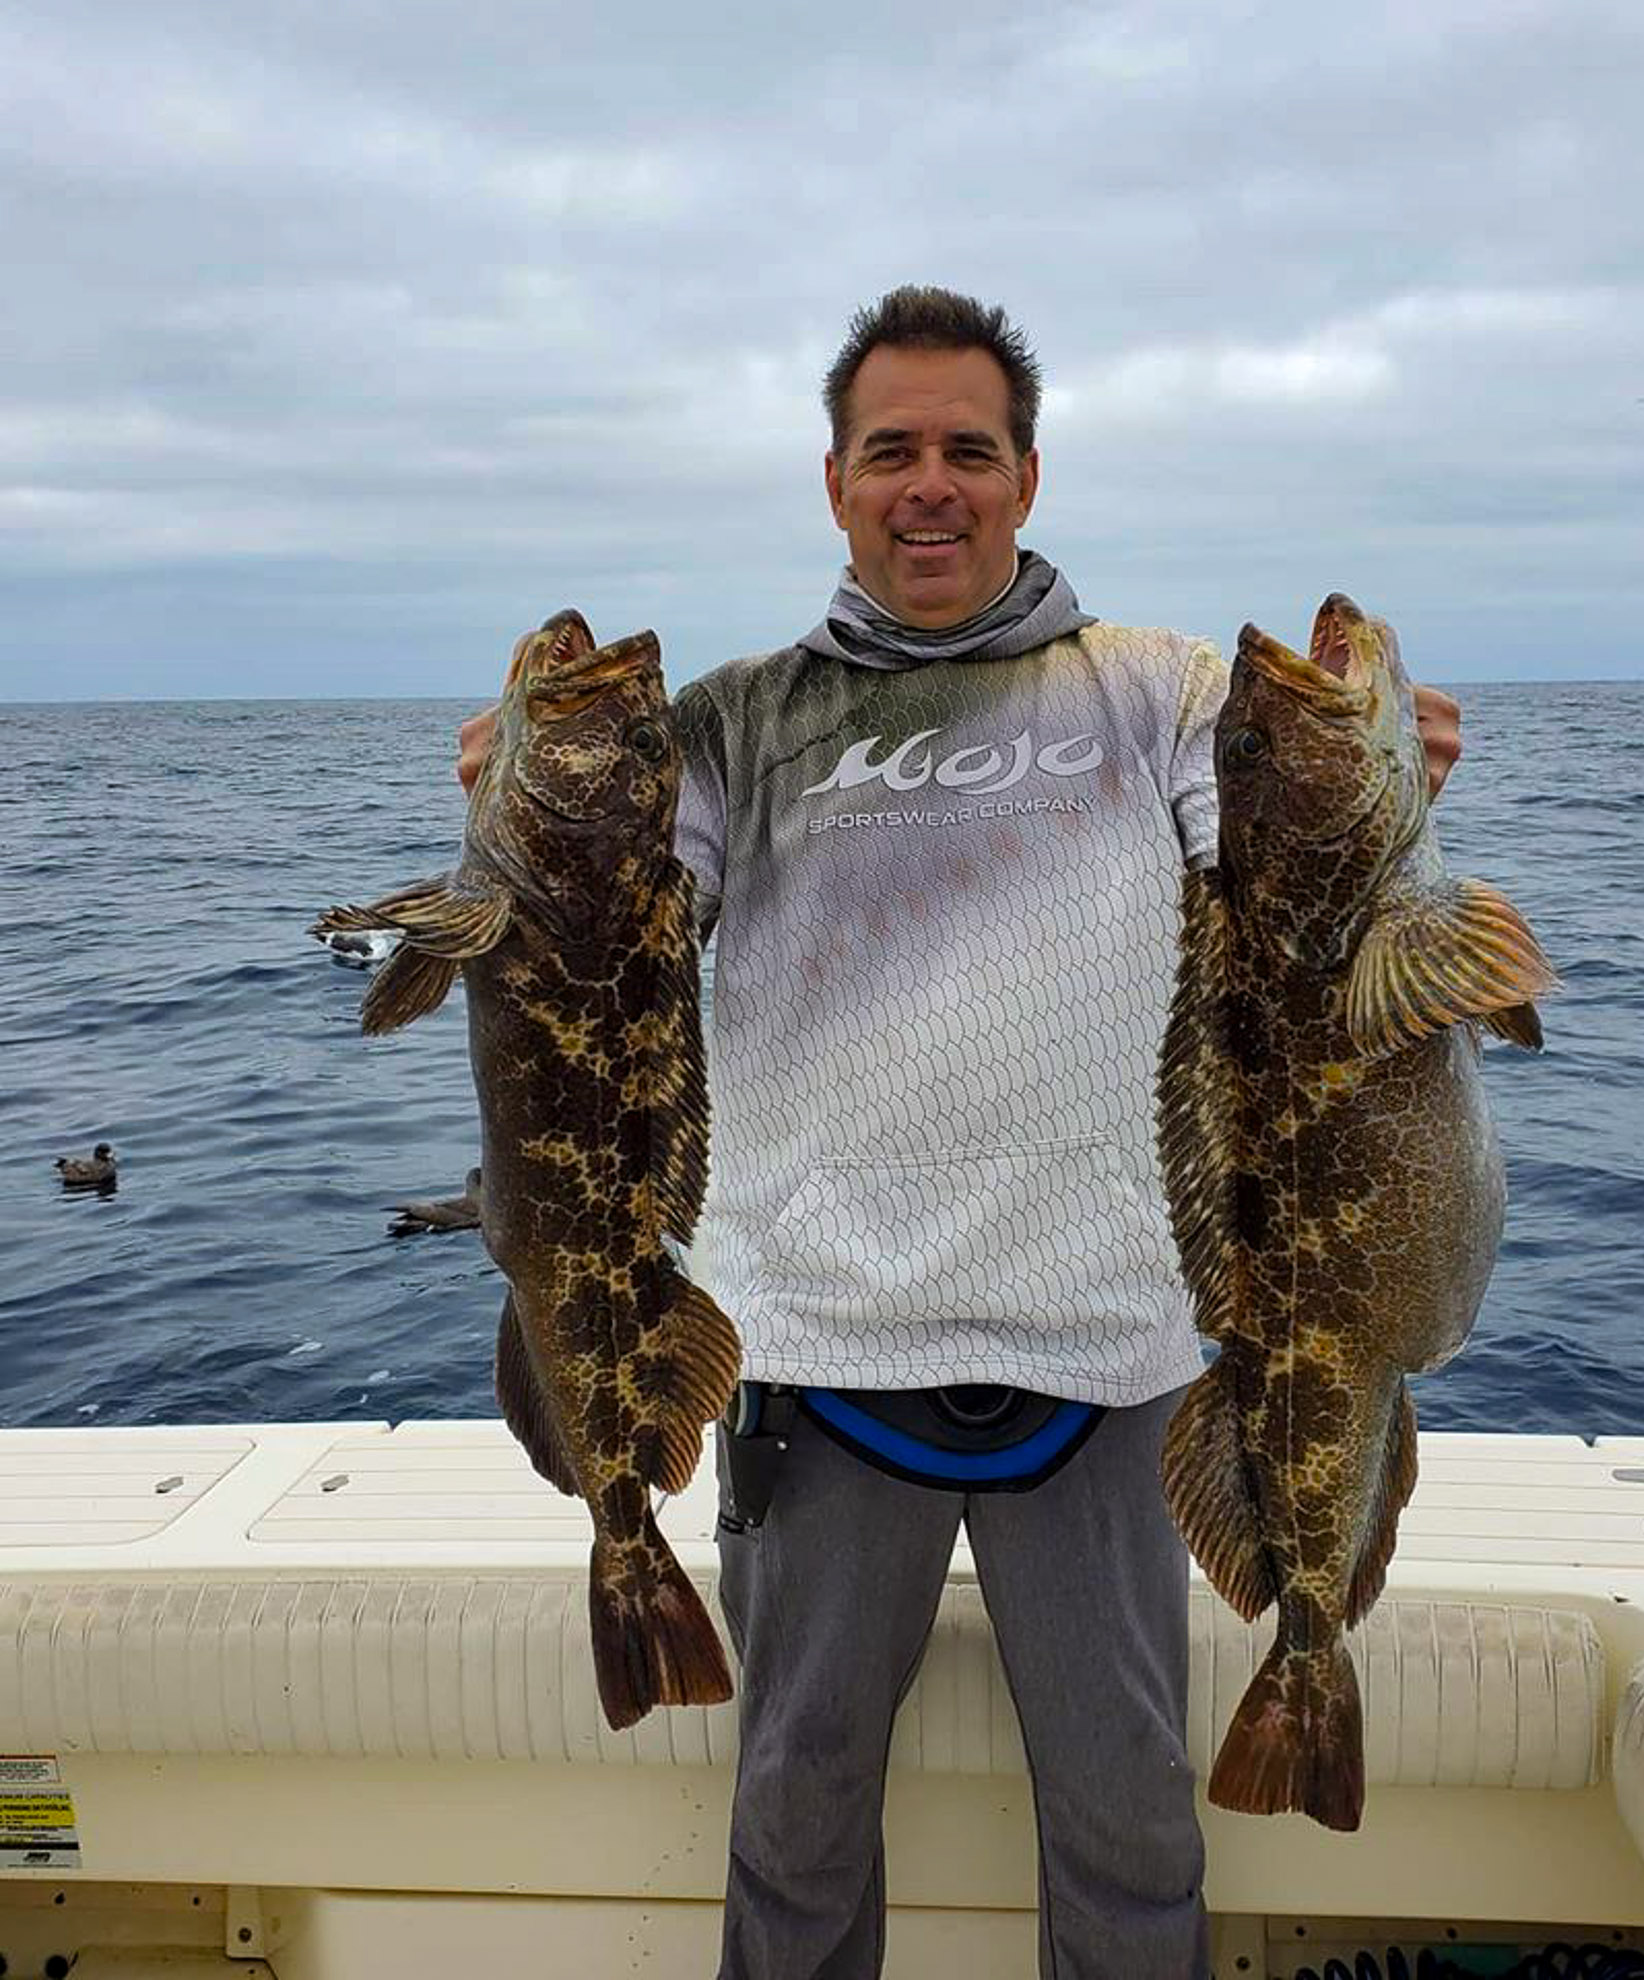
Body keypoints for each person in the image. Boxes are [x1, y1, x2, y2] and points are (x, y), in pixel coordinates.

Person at [457, 285, 1462, 1980]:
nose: (931, 485)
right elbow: (605, 937)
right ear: (836, 483)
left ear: (1027, 477)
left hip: (1115, 1357)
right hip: (813, 1354)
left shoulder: (1160, 694)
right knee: (793, 1815)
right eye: (892, 451)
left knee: (1132, 1823)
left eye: (970, 452)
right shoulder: (728, 725)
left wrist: (1390, 797)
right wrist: (518, 816)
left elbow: (1283, 890)